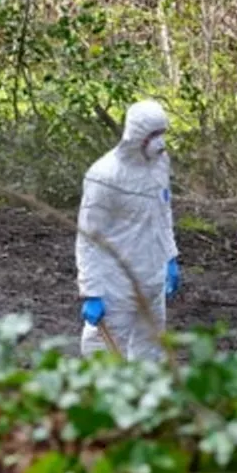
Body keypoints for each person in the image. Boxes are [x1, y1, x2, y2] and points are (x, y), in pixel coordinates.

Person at [76, 99, 181, 361]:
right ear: (136, 136)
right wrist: (92, 291)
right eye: (153, 135)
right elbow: (89, 237)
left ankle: (143, 397)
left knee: (151, 348)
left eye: (163, 133)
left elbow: (163, 211)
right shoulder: (104, 175)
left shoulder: (160, 163)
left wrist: (170, 255)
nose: (161, 142)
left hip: (153, 276)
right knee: (102, 353)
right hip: (116, 281)